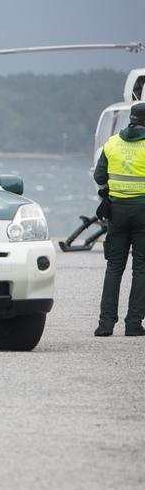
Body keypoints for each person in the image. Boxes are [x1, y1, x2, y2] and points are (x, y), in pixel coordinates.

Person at [95, 101, 145, 337]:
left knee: (114, 267)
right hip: (143, 211)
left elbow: (99, 176)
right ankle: (134, 324)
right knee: (141, 268)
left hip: (116, 211)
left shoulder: (112, 143)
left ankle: (105, 324)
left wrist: (108, 192)